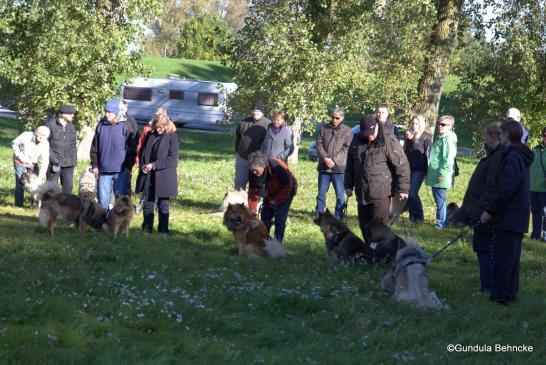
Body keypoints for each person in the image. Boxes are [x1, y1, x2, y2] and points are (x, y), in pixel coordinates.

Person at [480, 120, 533, 305]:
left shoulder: (512, 157)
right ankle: (509, 293)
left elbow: (505, 189)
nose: (499, 137)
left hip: (509, 216)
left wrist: (490, 211)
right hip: (517, 216)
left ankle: (500, 296)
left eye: (501, 134)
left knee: (503, 259)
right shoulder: (519, 156)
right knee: (511, 258)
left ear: (506, 136)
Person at [456, 122, 504, 294]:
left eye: (486, 136)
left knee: (485, 250)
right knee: (481, 248)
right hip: (481, 210)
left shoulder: (497, 157)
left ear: (493, 136)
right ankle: (486, 285)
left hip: (486, 214)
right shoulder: (494, 155)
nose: (485, 140)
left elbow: (491, 189)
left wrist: (481, 212)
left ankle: (487, 287)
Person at [345, 116, 410, 240]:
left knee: (379, 229)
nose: (369, 136)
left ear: (376, 127)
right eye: (365, 134)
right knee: (364, 226)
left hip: (381, 192)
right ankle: (370, 253)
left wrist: (404, 189)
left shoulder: (389, 141)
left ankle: (381, 256)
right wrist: (348, 185)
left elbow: (402, 165)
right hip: (362, 192)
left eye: (370, 133)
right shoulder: (356, 141)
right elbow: (350, 165)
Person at [135, 115, 179, 234]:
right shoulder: (151, 135)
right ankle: (147, 228)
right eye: (156, 127)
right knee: (148, 201)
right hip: (149, 174)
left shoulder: (172, 137)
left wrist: (154, 165)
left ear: (166, 126)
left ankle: (163, 230)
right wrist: (144, 165)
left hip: (164, 175)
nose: (158, 130)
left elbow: (172, 159)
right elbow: (143, 152)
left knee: (163, 204)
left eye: (160, 127)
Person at [248, 151, 297, 243]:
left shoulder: (276, 167)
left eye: (256, 170)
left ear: (263, 166)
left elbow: (288, 186)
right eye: (252, 170)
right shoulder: (252, 173)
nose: (254, 172)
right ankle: (264, 242)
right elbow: (252, 192)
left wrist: (276, 201)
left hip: (286, 191)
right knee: (265, 216)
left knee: (280, 218)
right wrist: (252, 210)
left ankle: (277, 244)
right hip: (269, 193)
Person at [90, 100, 130, 213]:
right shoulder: (100, 126)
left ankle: (119, 225)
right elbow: (94, 147)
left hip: (120, 170)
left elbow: (131, 148)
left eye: (110, 112)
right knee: (103, 200)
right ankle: (104, 223)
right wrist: (95, 165)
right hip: (104, 169)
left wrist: (128, 166)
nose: (107, 114)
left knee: (121, 200)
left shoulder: (125, 126)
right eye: (106, 112)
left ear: (116, 113)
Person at [314, 107, 353, 219]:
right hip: (324, 167)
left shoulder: (347, 131)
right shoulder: (323, 128)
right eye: (333, 117)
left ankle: (338, 216)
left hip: (339, 169)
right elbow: (319, 144)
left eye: (337, 118)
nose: (334, 120)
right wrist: (325, 158)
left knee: (340, 195)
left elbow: (346, 148)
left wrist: (334, 160)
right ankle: (319, 214)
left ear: (342, 118)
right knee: (321, 193)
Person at [426, 115, 458, 229]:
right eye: (439, 123)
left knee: (440, 200)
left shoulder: (448, 139)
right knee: (440, 200)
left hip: (441, 175)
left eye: (443, 124)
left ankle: (441, 224)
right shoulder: (441, 137)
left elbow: (448, 159)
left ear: (450, 126)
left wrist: (442, 175)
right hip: (436, 173)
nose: (440, 126)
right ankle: (442, 223)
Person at [234, 101, 271, 190]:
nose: (255, 113)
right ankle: (239, 202)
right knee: (239, 182)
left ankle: (254, 203)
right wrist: (237, 150)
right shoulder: (245, 121)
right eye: (254, 110)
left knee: (256, 184)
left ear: (262, 112)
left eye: (258, 111)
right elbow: (238, 136)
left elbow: (268, 143)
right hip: (242, 157)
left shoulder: (268, 124)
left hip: (257, 161)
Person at [12, 126, 51, 207]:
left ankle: (34, 205)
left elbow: (45, 160)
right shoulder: (26, 135)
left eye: (44, 136)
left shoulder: (45, 144)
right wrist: (19, 155)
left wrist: (41, 176)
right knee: (20, 183)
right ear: (36, 132)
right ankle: (19, 205)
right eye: (40, 134)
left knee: (36, 185)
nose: (41, 137)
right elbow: (14, 143)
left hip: (33, 164)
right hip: (19, 162)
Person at [403, 115, 432, 223]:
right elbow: (405, 151)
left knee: (412, 193)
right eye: (413, 123)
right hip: (408, 168)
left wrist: (428, 172)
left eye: (416, 123)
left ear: (421, 124)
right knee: (408, 193)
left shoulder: (426, 137)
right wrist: (408, 140)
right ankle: (412, 217)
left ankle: (419, 217)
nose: (414, 126)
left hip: (419, 170)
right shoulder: (409, 135)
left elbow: (428, 155)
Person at [44, 104, 77, 194]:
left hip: (69, 164)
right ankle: (49, 207)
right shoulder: (50, 124)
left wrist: (73, 161)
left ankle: (66, 208)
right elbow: (45, 144)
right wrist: (53, 160)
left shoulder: (71, 126)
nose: (73, 115)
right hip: (54, 163)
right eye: (70, 113)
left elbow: (73, 145)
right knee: (51, 189)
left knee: (68, 189)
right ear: (63, 114)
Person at [118, 100, 140, 195]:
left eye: (122, 109)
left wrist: (130, 163)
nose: (120, 112)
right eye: (119, 109)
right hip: (113, 161)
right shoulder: (111, 120)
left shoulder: (131, 121)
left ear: (126, 109)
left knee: (125, 186)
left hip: (126, 160)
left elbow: (134, 142)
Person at [529, 126, 546, 241]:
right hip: (533, 188)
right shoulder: (536, 150)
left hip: (544, 189)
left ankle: (545, 235)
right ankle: (535, 234)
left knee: (545, 213)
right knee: (535, 212)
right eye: (544, 135)